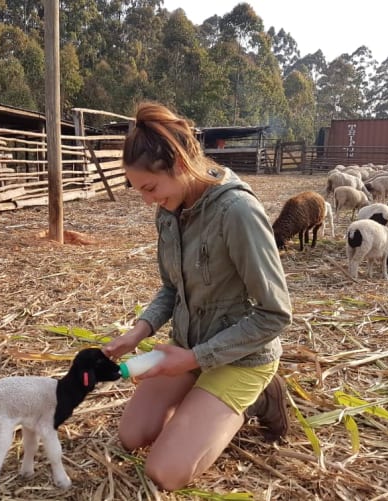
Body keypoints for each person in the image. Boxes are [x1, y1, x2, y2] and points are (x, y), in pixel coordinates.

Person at [102, 102, 293, 491]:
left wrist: (193, 359)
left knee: (165, 472)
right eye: (139, 191)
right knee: (132, 436)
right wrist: (137, 333)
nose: (147, 201)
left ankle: (259, 397)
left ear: (178, 163)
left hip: (241, 355)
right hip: (190, 345)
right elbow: (171, 288)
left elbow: (275, 314)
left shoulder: (238, 212)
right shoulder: (169, 209)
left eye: (150, 188)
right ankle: (200, 395)